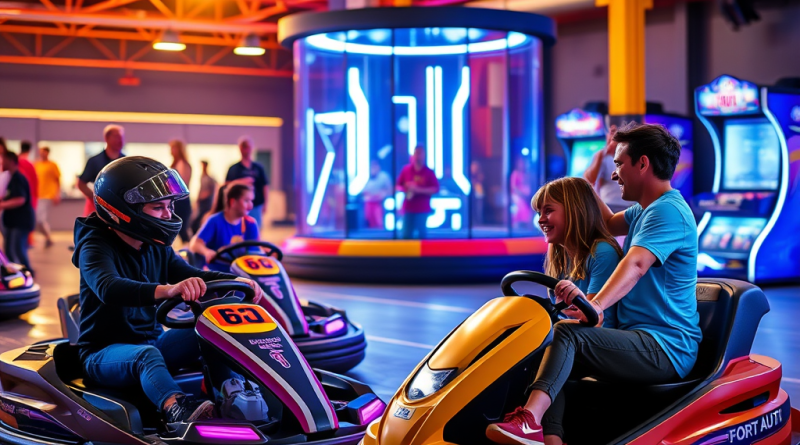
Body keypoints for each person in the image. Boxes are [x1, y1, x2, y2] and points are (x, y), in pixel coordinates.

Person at [486, 122, 702, 445]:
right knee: (545, 348)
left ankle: (530, 419)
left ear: (642, 164)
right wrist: (592, 173)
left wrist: (595, 303)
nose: (615, 175)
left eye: (619, 164)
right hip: (638, 337)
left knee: (567, 334)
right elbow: (604, 220)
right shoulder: (643, 212)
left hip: (665, 346)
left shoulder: (668, 212)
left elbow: (636, 264)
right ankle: (549, 439)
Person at [73, 156, 265, 427]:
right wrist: (168, 290)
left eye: (169, 206)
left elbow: (190, 274)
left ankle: (235, 395)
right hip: (102, 354)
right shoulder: (94, 245)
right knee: (146, 356)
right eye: (158, 207)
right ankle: (177, 409)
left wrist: (238, 280)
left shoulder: (154, 244)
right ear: (123, 209)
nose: (168, 214)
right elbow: (108, 287)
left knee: (213, 329)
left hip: (152, 343)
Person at [190, 184, 260, 272]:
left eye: (251, 201)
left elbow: (254, 253)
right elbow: (195, 244)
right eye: (246, 201)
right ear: (233, 202)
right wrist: (206, 251)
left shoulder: (251, 224)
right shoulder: (215, 221)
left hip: (244, 272)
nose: (251, 206)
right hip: (219, 273)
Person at [584, 124, 634, 213]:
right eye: (612, 133)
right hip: (609, 205)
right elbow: (589, 179)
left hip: (631, 206)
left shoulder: (633, 154)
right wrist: (602, 154)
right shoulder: (601, 156)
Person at [0, 152, 36, 273]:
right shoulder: (9, 178)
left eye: (3, 160)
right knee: (9, 251)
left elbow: (20, 199)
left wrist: (2, 205)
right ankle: (14, 273)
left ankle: (28, 273)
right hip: (12, 221)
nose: (1, 163)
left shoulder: (18, 178)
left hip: (20, 221)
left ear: (11, 161)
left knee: (17, 250)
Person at [78, 125, 125, 217]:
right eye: (116, 136)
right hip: (96, 209)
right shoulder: (94, 161)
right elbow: (81, 184)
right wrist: (95, 198)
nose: (120, 140)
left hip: (120, 209)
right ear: (107, 138)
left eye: (122, 137)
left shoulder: (126, 162)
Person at [225, 137, 268, 232]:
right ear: (240, 148)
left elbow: (264, 186)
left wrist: (265, 204)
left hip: (256, 205)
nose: (246, 150)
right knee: (239, 230)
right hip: (238, 207)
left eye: (248, 147)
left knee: (255, 230)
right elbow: (226, 186)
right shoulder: (234, 168)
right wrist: (241, 181)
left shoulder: (258, 168)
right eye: (244, 147)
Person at [397, 146, 439, 239]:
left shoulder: (429, 172)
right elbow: (398, 186)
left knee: (422, 235)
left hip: (422, 209)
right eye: (416, 153)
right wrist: (406, 187)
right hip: (408, 208)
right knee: (406, 235)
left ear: (424, 155)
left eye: (420, 153)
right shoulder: (406, 170)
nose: (418, 156)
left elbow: (435, 189)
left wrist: (419, 190)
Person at [34, 147, 61, 248]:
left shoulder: (52, 165)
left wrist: (57, 194)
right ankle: (47, 237)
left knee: (41, 219)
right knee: (39, 219)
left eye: (44, 152)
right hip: (37, 195)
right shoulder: (36, 164)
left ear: (48, 153)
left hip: (48, 195)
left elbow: (57, 180)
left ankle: (48, 237)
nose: (42, 154)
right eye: (41, 152)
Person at [170, 139, 193, 243]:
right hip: (177, 201)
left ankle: (188, 249)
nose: (171, 151)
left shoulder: (182, 164)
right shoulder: (177, 163)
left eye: (173, 148)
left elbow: (181, 185)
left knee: (182, 229)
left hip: (181, 201)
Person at [362, 160, 392, 229]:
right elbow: (363, 191)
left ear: (379, 166)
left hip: (380, 203)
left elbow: (389, 190)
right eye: (372, 166)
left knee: (379, 223)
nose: (373, 168)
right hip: (369, 203)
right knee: (369, 222)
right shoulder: (366, 177)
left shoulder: (384, 177)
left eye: (375, 166)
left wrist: (381, 194)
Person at [191, 160, 217, 234]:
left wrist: (206, 196)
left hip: (206, 202)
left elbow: (212, 189)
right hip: (202, 201)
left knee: (202, 219)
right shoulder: (202, 177)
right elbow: (200, 189)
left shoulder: (209, 178)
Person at [510, 158, 533, 230]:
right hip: (516, 195)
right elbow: (513, 187)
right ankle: (516, 223)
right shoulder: (515, 173)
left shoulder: (525, 174)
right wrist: (521, 194)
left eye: (523, 163)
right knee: (521, 204)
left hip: (525, 195)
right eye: (521, 163)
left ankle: (526, 224)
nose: (522, 165)